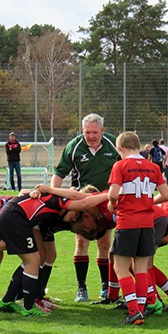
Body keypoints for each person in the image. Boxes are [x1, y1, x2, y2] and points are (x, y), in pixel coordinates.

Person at [0, 191, 109, 316]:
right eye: (76, 212)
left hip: (17, 217)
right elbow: (82, 201)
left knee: (34, 258)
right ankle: (28, 306)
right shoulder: (59, 200)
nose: (75, 217)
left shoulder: (58, 206)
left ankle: (9, 300)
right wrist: (109, 194)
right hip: (16, 217)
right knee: (33, 259)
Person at [51, 113, 119, 302]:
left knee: (104, 243)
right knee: (81, 242)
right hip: (82, 202)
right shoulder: (74, 147)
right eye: (87, 132)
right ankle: (81, 287)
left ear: (102, 131)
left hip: (106, 203)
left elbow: (126, 166)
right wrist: (53, 195)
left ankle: (106, 285)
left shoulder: (113, 144)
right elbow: (59, 172)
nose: (91, 136)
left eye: (94, 132)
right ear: (82, 131)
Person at [107, 131, 168, 325]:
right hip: (147, 223)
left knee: (121, 267)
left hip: (127, 222)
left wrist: (112, 203)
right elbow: (166, 195)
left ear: (121, 149)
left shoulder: (120, 165)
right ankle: (141, 309)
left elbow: (113, 193)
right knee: (142, 267)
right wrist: (149, 203)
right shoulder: (153, 167)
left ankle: (134, 311)